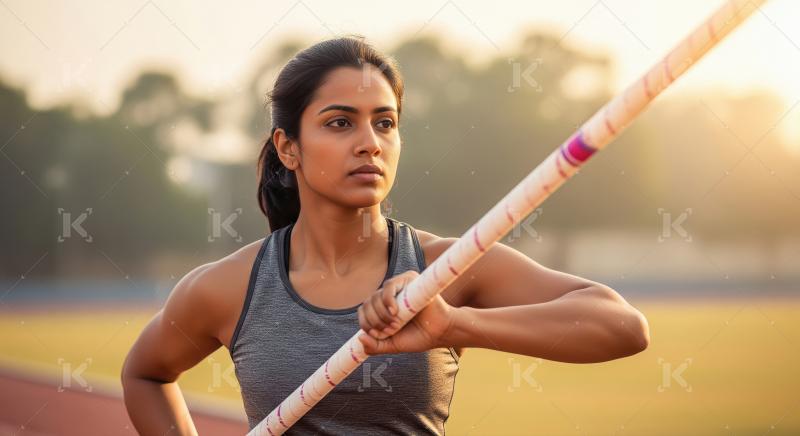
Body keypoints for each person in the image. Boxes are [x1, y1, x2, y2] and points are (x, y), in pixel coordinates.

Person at [121, 35, 650, 435]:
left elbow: (622, 326)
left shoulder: (446, 265)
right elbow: (145, 373)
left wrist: (453, 325)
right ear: (288, 148)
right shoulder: (229, 287)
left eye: (385, 123)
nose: (370, 143)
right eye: (339, 123)